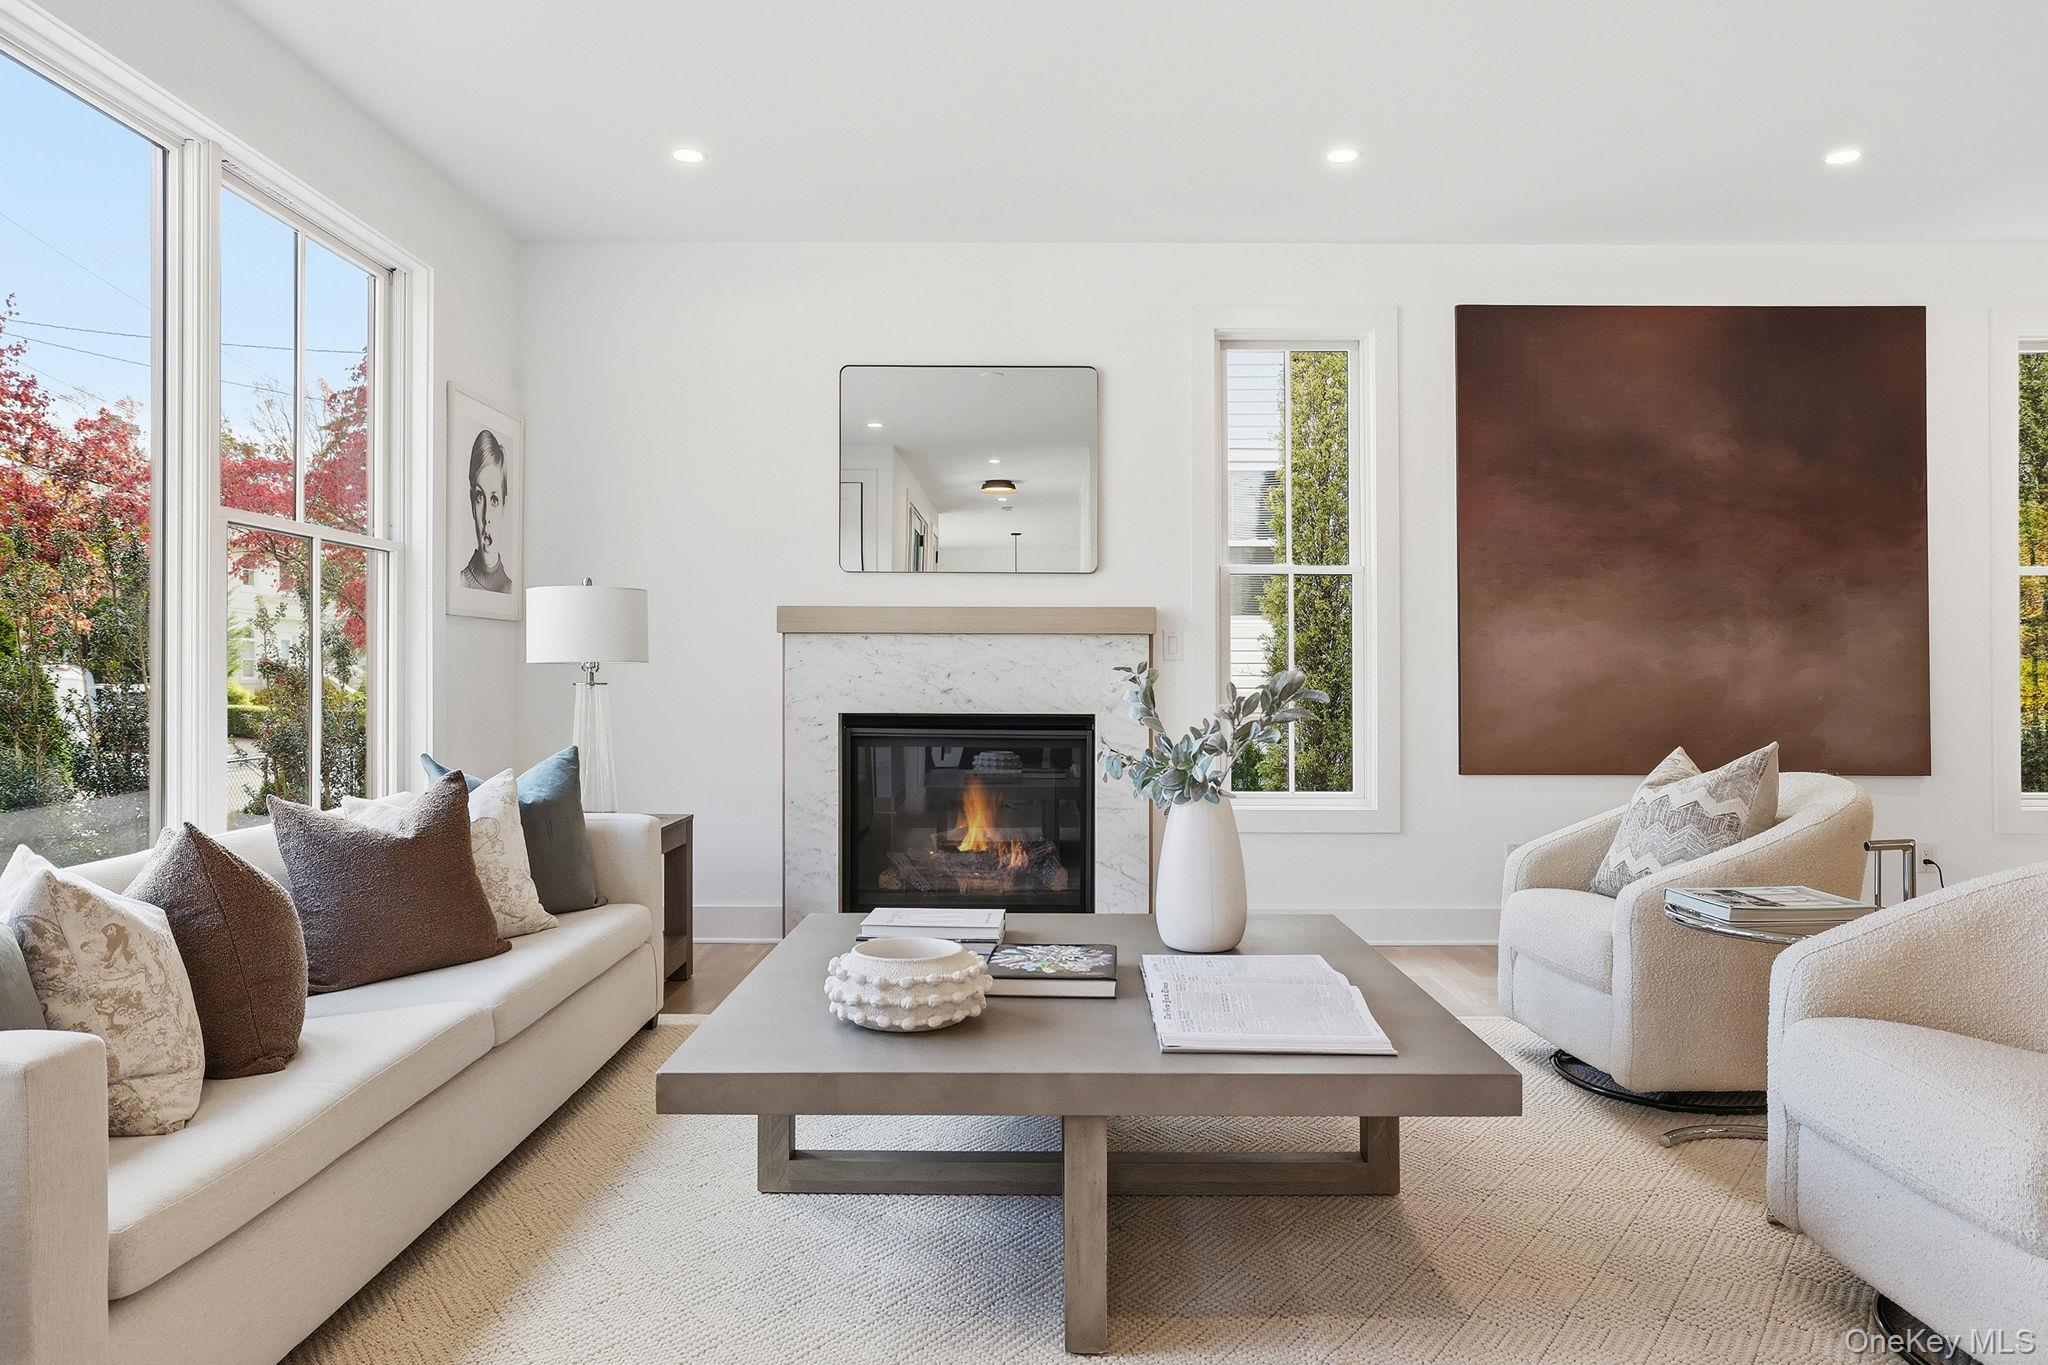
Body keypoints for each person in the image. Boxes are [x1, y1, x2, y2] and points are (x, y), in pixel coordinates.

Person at [460, 429, 513, 593]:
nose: (486, 516)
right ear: (471, 502)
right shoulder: (460, 581)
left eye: (494, 500)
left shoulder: (511, 588)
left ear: (504, 505)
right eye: (479, 497)